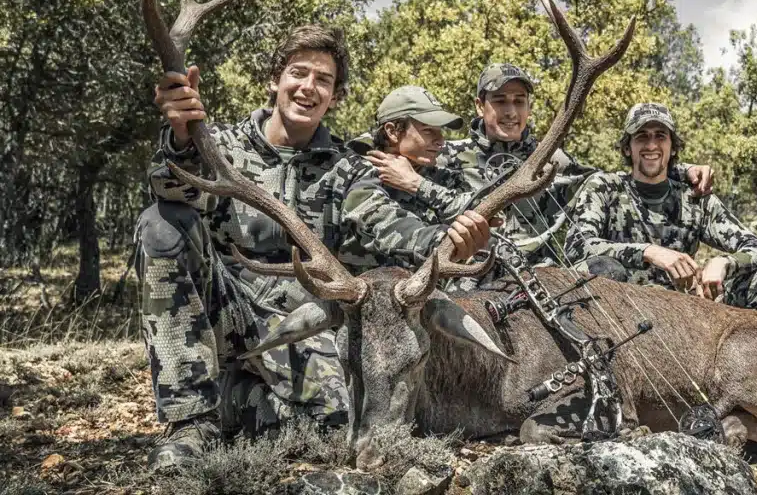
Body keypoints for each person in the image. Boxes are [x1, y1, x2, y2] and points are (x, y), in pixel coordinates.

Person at [136, 25, 494, 470]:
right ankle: (191, 421)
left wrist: (447, 244)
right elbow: (169, 190)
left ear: (336, 96)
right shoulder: (218, 148)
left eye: (323, 80)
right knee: (161, 223)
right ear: (275, 80)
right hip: (222, 311)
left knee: (342, 420)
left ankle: (234, 399)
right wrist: (182, 138)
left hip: (301, 323)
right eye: (298, 73)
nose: (308, 87)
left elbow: (390, 227)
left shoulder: (347, 171)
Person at [435, 63, 716, 286]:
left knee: (604, 272)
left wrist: (681, 169)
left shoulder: (550, 157)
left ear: (529, 107)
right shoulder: (447, 156)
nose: (511, 111)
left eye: (519, 101)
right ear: (479, 105)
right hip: (472, 273)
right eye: (500, 101)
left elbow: (619, 178)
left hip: (541, 278)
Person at [564, 102, 757, 318]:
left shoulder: (694, 197)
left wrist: (724, 263)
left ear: (673, 148)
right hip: (623, 311)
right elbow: (577, 247)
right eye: (642, 136)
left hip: (684, 313)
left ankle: (733, 356)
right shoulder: (604, 187)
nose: (651, 145)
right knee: (600, 270)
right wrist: (649, 252)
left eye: (660, 136)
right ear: (627, 148)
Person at [339, 85, 493, 271]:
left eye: (440, 131)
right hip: (368, 292)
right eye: (428, 131)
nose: (441, 140)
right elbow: (386, 226)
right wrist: (447, 242)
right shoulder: (355, 170)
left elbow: (489, 211)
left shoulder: (436, 175)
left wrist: (417, 184)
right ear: (392, 131)